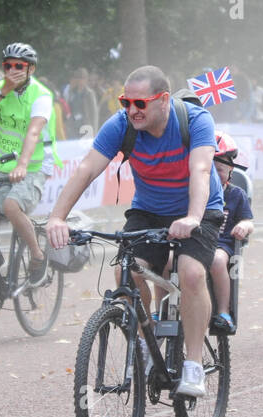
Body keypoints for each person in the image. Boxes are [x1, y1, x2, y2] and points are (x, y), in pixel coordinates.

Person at [46, 65, 224, 399]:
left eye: (140, 104)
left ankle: (195, 365)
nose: (131, 110)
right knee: (125, 273)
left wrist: (192, 217)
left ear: (164, 101)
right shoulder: (121, 125)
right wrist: (57, 218)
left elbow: (200, 169)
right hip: (149, 210)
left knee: (190, 274)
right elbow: (87, 169)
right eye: (126, 102)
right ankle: (145, 346)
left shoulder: (196, 121)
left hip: (199, 208)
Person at [0, 43, 58, 301]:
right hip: (3, 166)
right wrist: (3, 91)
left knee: (11, 205)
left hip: (34, 165)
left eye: (19, 66)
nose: (13, 70)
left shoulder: (41, 95)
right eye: (8, 65)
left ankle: (38, 256)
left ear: (31, 69)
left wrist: (22, 164)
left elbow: (33, 132)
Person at [209, 131, 254, 334]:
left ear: (230, 172)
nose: (214, 173)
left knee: (217, 260)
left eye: (220, 169)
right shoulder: (190, 190)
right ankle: (164, 309)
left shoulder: (236, 194)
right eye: (210, 168)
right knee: (168, 259)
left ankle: (223, 312)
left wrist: (244, 226)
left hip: (221, 244)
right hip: (193, 242)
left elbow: (248, 220)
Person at [62, 67, 99, 139]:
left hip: (86, 126)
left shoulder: (89, 93)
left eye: (82, 78)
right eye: (78, 78)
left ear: (86, 80)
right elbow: (67, 107)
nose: (80, 81)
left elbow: (94, 113)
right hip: (74, 126)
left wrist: (94, 130)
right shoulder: (72, 91)